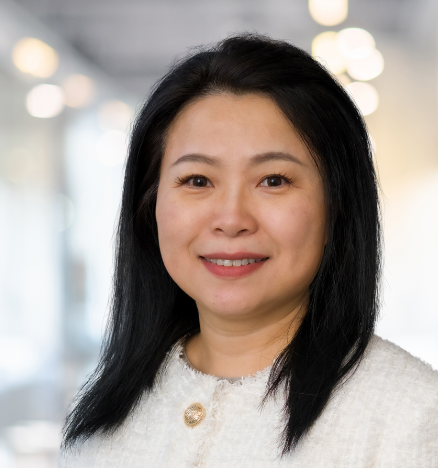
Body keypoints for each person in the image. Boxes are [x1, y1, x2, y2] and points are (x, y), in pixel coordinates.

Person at [59, 34, 438, 467]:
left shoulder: (414, 417)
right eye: (197, 180)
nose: (231, 218)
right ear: (150, 206)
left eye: (273, 180)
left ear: (337, 207)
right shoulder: (102, 417)